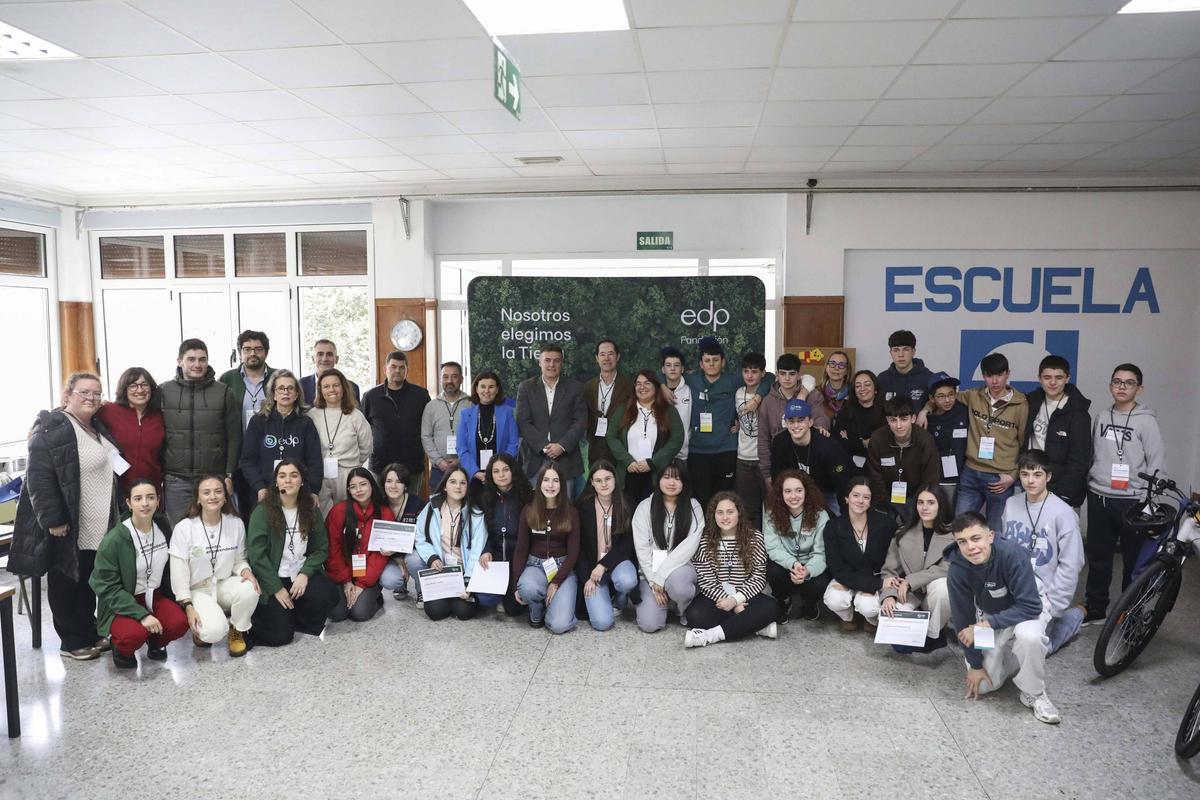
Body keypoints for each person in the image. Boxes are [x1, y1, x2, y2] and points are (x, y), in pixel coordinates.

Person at [9, 372, 120, 661]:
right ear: (68, 394)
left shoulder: (95, 426)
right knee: (65, 581)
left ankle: (88, 630)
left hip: (97, 524)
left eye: (96, 393)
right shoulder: (53, 427)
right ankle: (71, 641)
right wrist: (54, 520)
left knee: (86, 579)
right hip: (67, 523)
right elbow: (38, 478)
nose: (90, 398)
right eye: (84, 392)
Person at [947, 511, 1059, 725]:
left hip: (1026, 606)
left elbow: (1030, 605)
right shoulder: (957, 569)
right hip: (992, 612)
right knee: (984, 685)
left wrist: (989, 624)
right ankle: (1022, 657)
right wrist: (975, 664)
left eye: (976, 538)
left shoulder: (1012, 554)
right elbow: (963, 621)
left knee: (1029, 638)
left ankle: (1034, 693)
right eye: (962, 541)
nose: (970, 547)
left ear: (990, 536)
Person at [1082, 362, 1166, 626]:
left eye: (1129, 383)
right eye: (1117, 381)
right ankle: (1096, 608)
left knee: (1133, 562)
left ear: (1139, 389)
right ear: (1110, 385)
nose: (1122, 387)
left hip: (1133, 500)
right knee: (1098, 557)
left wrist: (1149, 503)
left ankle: (1130, 611)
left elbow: (1156, 463)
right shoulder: (1102, 417)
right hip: (1100, 496)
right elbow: (1094, 454)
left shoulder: (1147, 422)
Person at [924, 353, 1028, 535]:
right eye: (989, 375)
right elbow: (942, 397)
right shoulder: (973, 395)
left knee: (996, 531)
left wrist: (1013, 475)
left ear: (1008, 374)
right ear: (983, 376)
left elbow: (1024, 443)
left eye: (999, 375)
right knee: (961, 527)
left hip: (1000, 477)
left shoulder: (1021, 404)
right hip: (971, 472)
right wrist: (925, 410)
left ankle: (994, 564)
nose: (994, 381)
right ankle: (963, 564)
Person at [90, 478, 188, 668]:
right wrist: (141, 615)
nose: (145, 503)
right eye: (138, 498)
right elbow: (105, 586)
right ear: (128, 503)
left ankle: (156, 642)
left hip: (154, 595)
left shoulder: (162, 525)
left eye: (150, 497)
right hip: (122, 601)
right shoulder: (114, 540)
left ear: (158, 501)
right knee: (133, 634)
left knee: (179, 623)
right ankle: (121, 649)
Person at [245, 460, 339, 646]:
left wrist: (305, 573)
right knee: (280, 637)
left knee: (329, 594)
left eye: (293, 475)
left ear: (302, 481)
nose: (288, 480)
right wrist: (276, 588)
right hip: (272, 578)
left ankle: (295, 619)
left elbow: (321, 548)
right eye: (282, 476)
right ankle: (253, 624)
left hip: (298, 575)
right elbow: (257, 556)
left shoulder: (310, 510)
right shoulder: (262, 511)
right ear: (276, 482)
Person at [1001, 450, 1085, 653]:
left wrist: (1055, 607)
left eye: (1037, 475)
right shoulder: (1011, 504)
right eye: (1025, 474)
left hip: (1045, 594)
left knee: (1034, 649)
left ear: (1048, 477)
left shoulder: (1063, 513)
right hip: (1013, 588)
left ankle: (1072, 618)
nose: (1030, 481)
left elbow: (1072, 564)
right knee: (994, 644)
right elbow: (1004, 550)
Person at [169, 474, 258, 657]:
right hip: (197, 590)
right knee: (213, 632)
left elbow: (239, 559)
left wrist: (245, 571)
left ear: (225, 497)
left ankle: (237, 630)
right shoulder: (184, 528)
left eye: (218, 491)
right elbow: (178, 573)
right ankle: (205, 628)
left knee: (250, 588)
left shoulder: (235, 523)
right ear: (198, 498)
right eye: (206, 492)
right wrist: (187, 605)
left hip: (224, 583)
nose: (213, 496)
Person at [682, 338, 772, 508]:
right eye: (707, 361)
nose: (711, 364)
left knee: (724, 500)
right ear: (701, 364)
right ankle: (705, 534)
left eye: (716, 360)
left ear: (723, 362)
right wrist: (664, 387)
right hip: (698, 450)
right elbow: (663, 376)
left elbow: (769, 378)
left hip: (727, 450)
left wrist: (757, 398)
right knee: (701, 500)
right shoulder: (692, 379)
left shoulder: (734, 380)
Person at [160, 339, 240, 524]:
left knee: (214, 530)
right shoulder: (164, 391)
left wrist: (229, 474)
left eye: (202, 359)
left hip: (213, 477)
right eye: (191, 359)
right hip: (176, 479)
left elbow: (234, 437)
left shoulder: (224, 392)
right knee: (178, 530)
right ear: (179, 361)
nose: (197, 364)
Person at [684, 492, 777, 647]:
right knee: (694, 615)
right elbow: (706, 580)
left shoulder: (755, 538)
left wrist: (736, 600)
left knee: (771, 607)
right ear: (713, 515)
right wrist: (730, 603)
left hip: (746, 596)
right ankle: (755, 627)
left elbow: (759, 577)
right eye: (720, 513)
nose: (725, 517)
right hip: (717, 598)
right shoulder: (705, 540)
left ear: (739, 513)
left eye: (730, 512)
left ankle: (709, 636)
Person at [409, 467, 499, 619]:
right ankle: (439, 594)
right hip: (440, 570)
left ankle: (461, 595)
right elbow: (420, 536)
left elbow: (476, 550)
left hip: (464, 571)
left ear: (467, 488)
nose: (458, 486)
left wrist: (468, 580)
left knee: (463, 612)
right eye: (453, 482)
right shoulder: (432, 508)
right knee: (435, 611)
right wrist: (432, 557)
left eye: (463, 483)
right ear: (445, 486)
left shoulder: (476, 514)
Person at [880, 484, 955, 653]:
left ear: (941, 505)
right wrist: (889, 596)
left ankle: (933, 635)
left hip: (933, 595)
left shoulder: (954, 535)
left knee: (942, 587)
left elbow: (949, 568)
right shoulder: (902, 533)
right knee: (899, 646)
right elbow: (889, 571)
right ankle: (918, 628)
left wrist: (910, 581)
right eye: (920, 502)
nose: (925, 507)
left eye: (931, 502)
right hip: (908, 595)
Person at [631, 460, 703, 633]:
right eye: (666, 477)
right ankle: (664, 601)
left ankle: (683, 607)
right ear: (658, 479)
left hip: (682, 569)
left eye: (677, 478)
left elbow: (688, 547)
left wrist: (662, 576)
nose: (671, 483)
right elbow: (642, 549)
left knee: (679, 585)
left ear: (684, 482)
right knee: (649, 625)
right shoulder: (644, 507)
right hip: (651, 575)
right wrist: (654, 580)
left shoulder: (694, 507)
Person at [240, 369, 323, 512]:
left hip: (298, 493)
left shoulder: (305, 423)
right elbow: (247, 461)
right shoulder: (258, 421)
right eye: (281, 388)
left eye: (290, 388)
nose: (286, 392)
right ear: (273, 394)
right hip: (265, 492)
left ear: (297, 394)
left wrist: (313, 490)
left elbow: (314, 461)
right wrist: (259, 487)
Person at [511, 465, 580, 633]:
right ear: (539, 483)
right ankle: (537, 611)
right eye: (546, 480)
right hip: (535, 565)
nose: (550, 485)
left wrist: (556, 582)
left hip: (563, 567)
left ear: (562, 485)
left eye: (555, 480)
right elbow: (520, 550)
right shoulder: (529, 510)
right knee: (527, 588)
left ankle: (553, 608)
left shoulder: (571, 512)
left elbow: (573, 553)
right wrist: (516, 586)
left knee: (559, 626)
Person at [514, 345, 587, 497]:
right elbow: (523, 421)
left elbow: (580, 422)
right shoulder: (526, 387)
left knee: (565, 511)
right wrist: (543, 446)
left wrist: (562, 445)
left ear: (562, 363)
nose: (551, 365)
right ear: (539, 362)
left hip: (566, 460)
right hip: (535, 460)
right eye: (547, 360)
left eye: (556, 361)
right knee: (535, 509)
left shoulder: (575, 387)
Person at [574, 460, 638, 631]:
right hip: (591, 570)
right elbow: (577, 549)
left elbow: (628, 544)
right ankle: (605, 594)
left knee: (627, 581)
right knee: (602, 623)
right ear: (592, 483)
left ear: (615, 480)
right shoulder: (582, 506)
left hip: (617, 563)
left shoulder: (627, 503)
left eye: (608, 478)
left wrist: (603, 565)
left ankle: (619, 598)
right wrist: (587, 577)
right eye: (599, 480)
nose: (604, 484)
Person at [218, 330, 275, 522]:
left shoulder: (277, 377)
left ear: (266, 352)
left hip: (268, 455)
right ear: (240, 352)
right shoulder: (227, 379)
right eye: (247, 349)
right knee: (238, 512)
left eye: (258, 349)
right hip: (238, 457)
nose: (253, 354)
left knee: (267, 511)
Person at [822, 477, 892, 632]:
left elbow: (891, 558)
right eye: (856, 495)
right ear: (846, 498)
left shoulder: (886, 523)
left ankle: (871, 620)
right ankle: (849, 617)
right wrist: (875, 585)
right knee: (835, 599)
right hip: (847, 575)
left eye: (866, 497)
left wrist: (876, 583)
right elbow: (837, 568)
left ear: (870, 501)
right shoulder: (833, 527)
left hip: (876, 574)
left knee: (868, 607)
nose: (860, 500)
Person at [1022, 355, 1091, 508]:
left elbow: (1079, 460)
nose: (1052, 382)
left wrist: (1064, 494)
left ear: (1067, 378)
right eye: (1047, 377)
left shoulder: (1079, 413)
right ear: (1039, 379)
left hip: (1063, 493)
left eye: (1058, 377)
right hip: (1030, 485)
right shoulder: (1030, 402)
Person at [763, 470, 831, 624]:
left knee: (821, 581)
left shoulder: (821, 515)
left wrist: (807, 571)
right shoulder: (771, 514)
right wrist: (793, 564)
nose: (793, 496)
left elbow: (822, 553)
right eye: (788, 491)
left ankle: (810, 603)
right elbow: (773, 548)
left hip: (810, 564)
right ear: (781, 493)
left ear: (807, 491)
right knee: (773, 571)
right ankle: (783, 600)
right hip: (786, 564)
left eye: (799, 490)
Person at [606, 369, 684, 504]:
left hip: (656, 474)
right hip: (628, 473)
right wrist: (627, 460)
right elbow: (611, 437)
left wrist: (653, 462)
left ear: (656, 386)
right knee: (628, 514)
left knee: (652, 512)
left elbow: (677, 440)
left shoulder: (668, 411)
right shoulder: (623, 410)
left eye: (647, 383)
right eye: (638, 383)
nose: (642, 387)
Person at [324, 469, 391, 623]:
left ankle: (376, 598)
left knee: (359, 613)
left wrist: (361, 585)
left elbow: (379, 556)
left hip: (368, 575)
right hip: (341, 575)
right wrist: (347, 581)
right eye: (353, 487)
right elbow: (333, 549)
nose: (358, 490)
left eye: (363, 484)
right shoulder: (338, 511)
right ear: (348, 490)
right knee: (337, 614)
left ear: (372, 485)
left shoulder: (384, 513)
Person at [361, 350, 430, 497]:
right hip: (379, 466)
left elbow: (429, 427)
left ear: (407, 371)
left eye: (401, 367)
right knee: (381, 510)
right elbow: (360, 430)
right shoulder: (371, 396)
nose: (397, 370)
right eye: (393, 367)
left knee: (409, 511)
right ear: (385, 369)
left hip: (412, 466)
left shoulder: (421, 395)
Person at [308, 367, 373, 516]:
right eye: (326, 386)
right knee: (323, 517)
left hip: (347, 474)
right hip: (321, 474)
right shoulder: (312, 415)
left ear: (343, 388)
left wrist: (351, 463)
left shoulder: (355, 416)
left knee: (347, 517)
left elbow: (366, 447)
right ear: (320, 390)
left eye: (336, 385)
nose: (332, 389)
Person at [768, 399, 851, 514]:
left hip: (827, 492)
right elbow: (777, 478)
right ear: (786, 423)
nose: (796, 425)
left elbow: (842, 483)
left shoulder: (827, 446)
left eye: (801, 420)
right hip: (795, 493)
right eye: (791, 421)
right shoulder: (779, 442)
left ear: (810, 422)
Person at [866, 398, 939, 526]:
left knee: (913, 535)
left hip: (915, 497)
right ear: (887, 420)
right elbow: (875, 475)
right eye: (893, 420)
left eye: (904, 419)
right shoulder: (877, 438)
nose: (898, 425)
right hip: (886, 496)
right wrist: (885, 503)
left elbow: (930, 478)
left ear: (913, 418)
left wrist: (919, 504)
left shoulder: (925, 440)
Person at [95, 366, 164, 500]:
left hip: (150, 489)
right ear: (124, 389)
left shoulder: (159, 416)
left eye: (144, 385)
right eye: (133, 385)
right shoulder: (108, 412)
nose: (140, 390)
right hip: (117, 489)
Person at [478, 453, 532, 616]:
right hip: (496, 558)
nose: (501, 475)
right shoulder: (486, 497)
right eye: (496, 471)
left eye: (505, 470)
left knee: (513, 610)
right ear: (490, 475)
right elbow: (483, 531)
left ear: (513, 471)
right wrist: (486, 550)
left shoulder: (527, 496)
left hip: (519, 558)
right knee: (486, 599)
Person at [456, 370, 519, 487]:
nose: (486, 391)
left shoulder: (507, 412)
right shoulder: (466, 415)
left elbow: (513, 444)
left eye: (491, 387)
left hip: (501, 478)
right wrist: (475, 472)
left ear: (497, 389)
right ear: (476, 389)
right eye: (483, 386)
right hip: (474, 478)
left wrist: (499, 471)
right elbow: (461, 448)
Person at [421, 361, 472, 491]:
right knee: (438, 508)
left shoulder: (471, 404)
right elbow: (426, 437)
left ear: (461, 379)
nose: (449, 380)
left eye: (454, 376)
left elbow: (475, 436)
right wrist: (439, 461)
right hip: (439, 470)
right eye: (445, 376)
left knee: (466, 507)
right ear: (440, 379)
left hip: (466, 466)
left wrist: (461, 459)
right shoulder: (431, 406)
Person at [377, 463, 426, 599]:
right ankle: (401, 584)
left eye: (399, 482)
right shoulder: (379, 506)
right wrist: (398, 558)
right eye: (389, 481)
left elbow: (424, 537)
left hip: (415, 552)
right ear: (383, 484)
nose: (393, 486)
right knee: (389, 579)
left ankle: (422, 589)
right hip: (391, 556)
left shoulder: (418, 504)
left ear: (406, 485)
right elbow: (378, 539)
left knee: (414, 561)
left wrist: (403, 552)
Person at [582, 339, 632, 470]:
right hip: (595, 449)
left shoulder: (629, 386)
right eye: (602, 354)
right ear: (596, 358)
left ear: (618, 356)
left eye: (611, 354)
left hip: (622, 450)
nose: (607, 358)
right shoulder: (587, 387)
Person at [757, 353, 807, 479]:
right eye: (783, 373)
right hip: (778, 463)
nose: (787, 378)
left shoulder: (810, 394)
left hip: (805, 460)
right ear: (777, 374)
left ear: (798, 374)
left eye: (792, 373)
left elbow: (821, 419)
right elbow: (763, 440)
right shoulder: (767, 401)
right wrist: (766, 474)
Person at [734, 351, 768, 530]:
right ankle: (753, 549)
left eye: (754, 371)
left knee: (770, 508)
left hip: (763, 460)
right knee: (749, 509)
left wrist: (758, 398)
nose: (749, 375)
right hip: (743, 459)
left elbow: (772, 377)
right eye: (746, 371)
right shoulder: (738, 392)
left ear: (762, 373)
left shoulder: (769, 390)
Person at [926, 372, 968, 505]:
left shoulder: (965, 412)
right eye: (941, 396)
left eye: (951, 394)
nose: (947, 400)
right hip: (935, 477)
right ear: (932, 399)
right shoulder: (927, 420)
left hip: (962, 479)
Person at [832, 369, 885, 473]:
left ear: (876, 389)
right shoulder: (845, 411)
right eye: (858, 386)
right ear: (854, 391)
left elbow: (885, 443)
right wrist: (865, 443)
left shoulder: (886, 411)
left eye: (867, 384)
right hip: (850, 466)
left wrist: (854, 441)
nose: (862, 389)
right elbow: (840, 443)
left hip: (880, 466)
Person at [876, 329, 935, 409]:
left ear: (913, 351)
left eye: (906, 349)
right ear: (891, 353)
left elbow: (938, 402)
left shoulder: (929, 378)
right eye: (896, 350)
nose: (901, 355)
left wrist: (927, 409)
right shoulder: (882, 379)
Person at [300, 339, 361, 405]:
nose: (324, 359)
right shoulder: (301, 385)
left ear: (336, 359)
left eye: (329, 354)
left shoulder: (352, 387)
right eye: (320, 354)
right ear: (313, 359)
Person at [660, 347, 693, 463]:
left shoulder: (690, 391)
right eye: (668, 365)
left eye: (677, 365)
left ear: (682, 369)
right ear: (663, 369)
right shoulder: (656, 392)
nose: (672, 368)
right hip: (660, 454)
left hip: (684, 455)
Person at [806, 349, 852, 431]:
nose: (836, 368)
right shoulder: (816, 393)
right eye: (832, 364)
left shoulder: (854, 393)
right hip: (823, 439)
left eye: (841, 365)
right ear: (826, 368)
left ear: (846, 371)